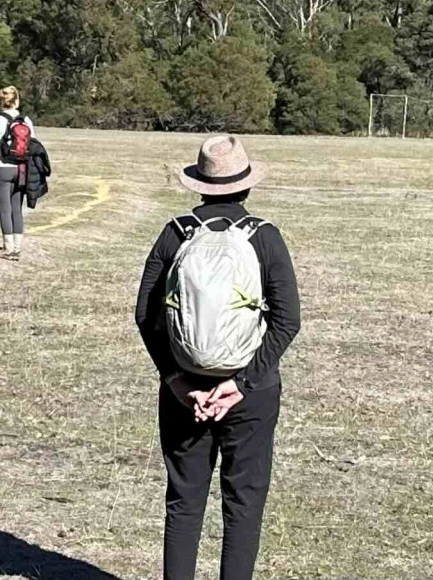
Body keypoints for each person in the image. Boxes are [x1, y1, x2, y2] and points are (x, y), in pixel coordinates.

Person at [134, 136, 301, 580]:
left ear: (200, 184)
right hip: (252, 393)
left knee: (184, 502)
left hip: (183, 391)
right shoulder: (265, 237)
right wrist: (241, 385)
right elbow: (287, 322)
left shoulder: (174, 233)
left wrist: (177, 381)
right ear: (247, 186)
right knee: (243, 505)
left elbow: (144, 314)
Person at [0, 85, 36, 259]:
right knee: (16, 209)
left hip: (1, 167)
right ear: (17, 101)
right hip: (21, 168)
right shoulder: (26, 120)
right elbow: (33, 145)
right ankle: (17, 246)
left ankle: (8, 247)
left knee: (4, 209)